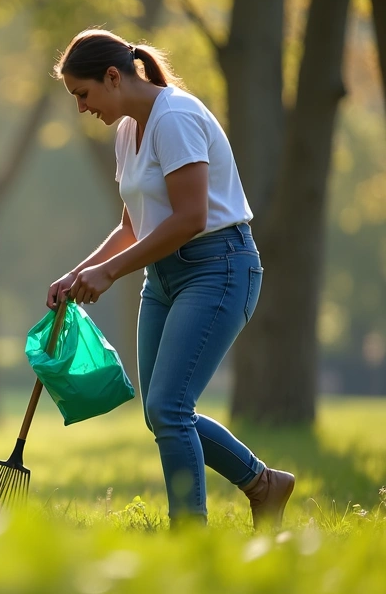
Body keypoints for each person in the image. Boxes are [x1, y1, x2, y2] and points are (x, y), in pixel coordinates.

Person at [49, 28, 294, 528]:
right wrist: (78, 273)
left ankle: (189, 536)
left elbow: (190, 218)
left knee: (168, 406)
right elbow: (132, 225)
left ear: (113, 77)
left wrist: (111, 273)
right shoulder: (126, 129)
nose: (81, 107)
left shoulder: (175, 117)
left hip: (217, 267)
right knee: (162, 411)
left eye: (83, 93)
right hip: (162, 276)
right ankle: (264, 485)